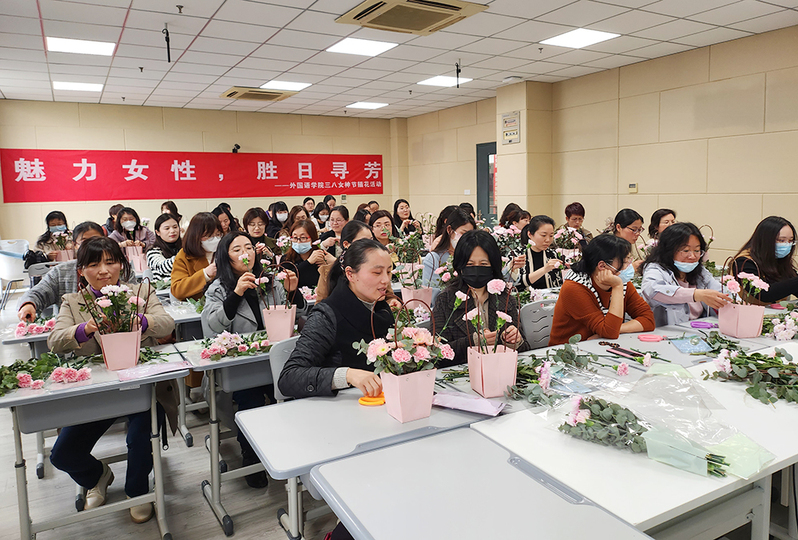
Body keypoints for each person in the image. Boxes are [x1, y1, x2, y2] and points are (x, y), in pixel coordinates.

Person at [47, 236, 175, 523]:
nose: (104, 271)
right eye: (94, 264)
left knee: (140, 437)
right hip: (98, 391)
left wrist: (143, 322)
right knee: (62, 454)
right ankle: (97, 476)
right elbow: (54, 340)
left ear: (122, 264)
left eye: (110, 262)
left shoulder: (140, 292)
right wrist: (84, 329)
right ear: (81, 270)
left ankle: (137, 492)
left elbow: (167, 323)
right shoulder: (73, 302)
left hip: (140, 386)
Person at [201, 231, 301, 489]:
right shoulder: (218, 288)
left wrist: (293, 292)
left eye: (248, 247)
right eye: (237, 250)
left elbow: (297, 314)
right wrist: (236, 294)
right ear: (226, 257)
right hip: (242, 367)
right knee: (251, 400)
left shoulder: (269, 281)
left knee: (292, 396)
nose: (245, 253)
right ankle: (250, 455)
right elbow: (211, 328)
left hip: (274, 360)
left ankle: (292, 450)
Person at [431, 230, 526, 366]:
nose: (476, 269)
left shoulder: (505, 299)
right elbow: (436, 354)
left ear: (493, 266)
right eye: (470, 264)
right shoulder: (446, 300)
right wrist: (473, 342)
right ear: (460, 266)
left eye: (483, 264)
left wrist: (514, 341)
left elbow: (524, 349)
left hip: (500, 369)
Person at [549, 234, 655, 346]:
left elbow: (648, 320)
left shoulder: (620, 281)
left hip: (599, 345)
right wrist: (617, 287)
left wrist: (617, 329)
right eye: (625, 262)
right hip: (568, 350)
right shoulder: (574, 287)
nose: (629, 266)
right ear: (602, 266)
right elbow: (609, 332)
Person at [642, 223, 729, 326]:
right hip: (667, 332)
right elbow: (653, 290)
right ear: (669, 250)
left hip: (698, 330)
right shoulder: (655, 269)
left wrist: (736, 302)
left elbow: (720, 291)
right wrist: (696, 295)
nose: (692, 256)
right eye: (686, 250)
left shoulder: (699, 272)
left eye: (697, 250)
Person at [17, 222, 107, 322]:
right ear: (74, 245)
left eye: (96, 240)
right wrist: (28, 304)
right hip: (69, 328)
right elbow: (38, 292)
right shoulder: (61, 271)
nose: (91, 246)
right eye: (84, 242)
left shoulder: (114, 268)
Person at [732, 216, 798, 305]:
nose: (787, 245)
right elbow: (763, 294)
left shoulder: (779, 260)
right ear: (766, 240)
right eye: (781, 240)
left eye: (790, 241)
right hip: (747, 311)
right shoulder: (744, 262)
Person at [315, 221, 374, 302]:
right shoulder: (329, 271)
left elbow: (388, 296)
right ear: (346, 244)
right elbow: (320, 304)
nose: (370, 246)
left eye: (371, 241)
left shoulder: (378, 267)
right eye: (363, 241)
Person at [171, 212, 221, 301]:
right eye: (208, 236)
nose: (214, 239)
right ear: (196, 235)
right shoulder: (184, 256)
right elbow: (177, 290)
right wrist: (205, 274)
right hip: (197, 306)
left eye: (217, 235)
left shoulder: (225, 251)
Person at [422, 208, 475, 289]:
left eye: (470, 235)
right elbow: (431, 292)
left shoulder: (472, 257)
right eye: (463, 234)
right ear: (449, 230)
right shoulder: (433, 259)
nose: (466, 239)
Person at [281, 220, 334, 290]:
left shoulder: (321, 257)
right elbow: (284, 280)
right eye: (295, 237)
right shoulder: (286, 258)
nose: (298, 242)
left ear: (312, 238)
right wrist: (308, 262)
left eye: (303, 238)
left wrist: (326, 267)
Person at [518, 215, 563, 290]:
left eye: (551, 236)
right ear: (530, 234)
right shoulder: (518, 254)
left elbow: (558, 283)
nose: (548, 240)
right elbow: (517, 283)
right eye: (543, 235)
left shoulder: (553, 254)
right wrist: (545, 269)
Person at [146, 213, 182, 281]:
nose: (172, 231)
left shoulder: (184, 247)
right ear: (158, 232)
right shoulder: (152, 251)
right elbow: (162, 267)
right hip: (164, 286)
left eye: (175, 227)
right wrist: (185, 254)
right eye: (167, 228)